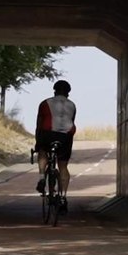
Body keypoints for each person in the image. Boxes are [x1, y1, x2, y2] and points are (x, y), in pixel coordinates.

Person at [35, 79, 77, 208]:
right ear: (68, 93)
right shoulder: (72, 105)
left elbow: (39, 122)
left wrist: (38, 141)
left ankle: (42, 177)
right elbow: (72, 120)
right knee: (63, 166)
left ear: (54, 91)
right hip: (65, 136)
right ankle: (63, 197)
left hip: (48, 133)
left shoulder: (45, 103)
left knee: (42, 152)